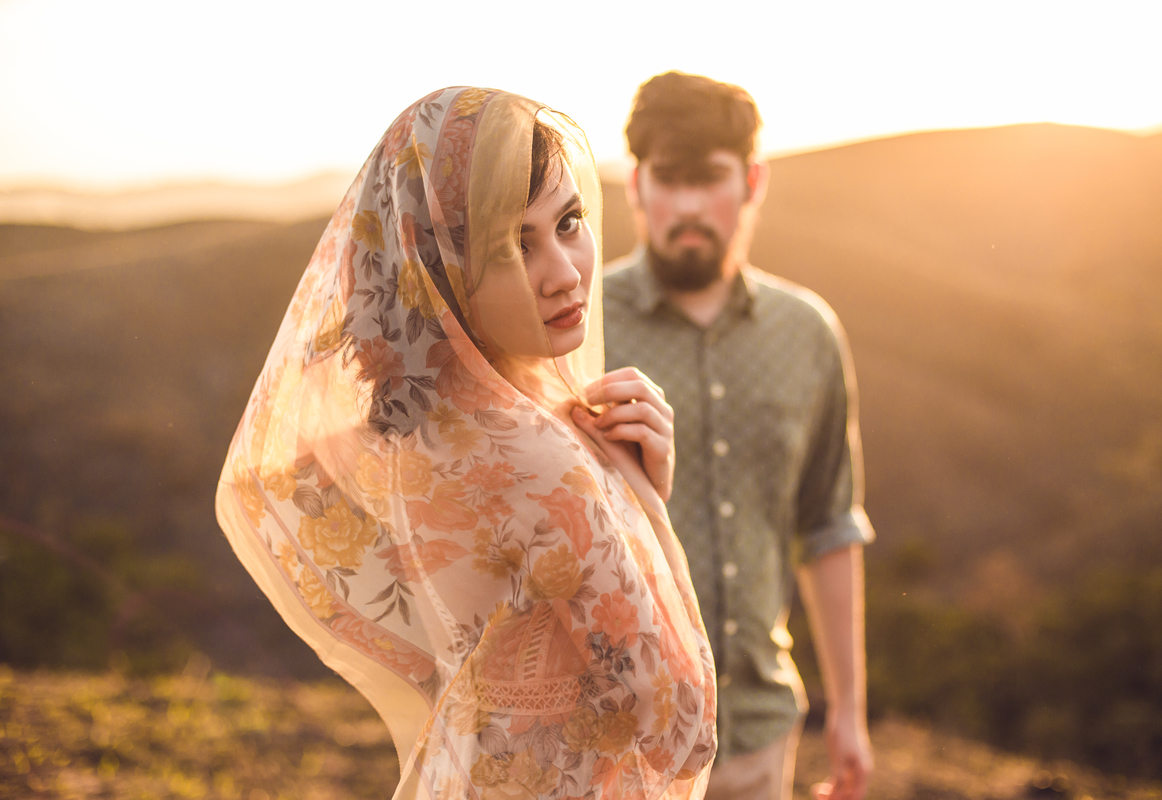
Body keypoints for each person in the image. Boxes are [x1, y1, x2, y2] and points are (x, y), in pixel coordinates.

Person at [215, 87, 716, 800]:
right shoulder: (537, 458)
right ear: (437, 270)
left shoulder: (410, 421)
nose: (567, 273)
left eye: (569, 222)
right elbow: (682, 727)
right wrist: (645, 498)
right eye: (515, 246)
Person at [604, 72, 875, 800]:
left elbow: (828, 524)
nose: (690, 205)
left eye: (710, 179)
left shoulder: (808, 333)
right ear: (636, 184)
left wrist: (849, 710)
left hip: (757, 735)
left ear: (753, 181)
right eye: (670, 179)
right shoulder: (579, 327)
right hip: (613, 742)